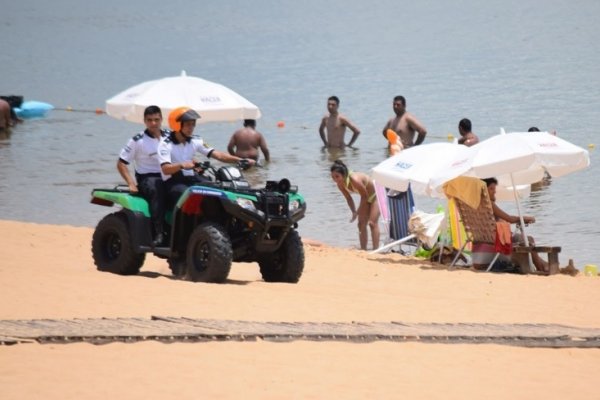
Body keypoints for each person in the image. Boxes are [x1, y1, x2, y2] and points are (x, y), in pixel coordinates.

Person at [158, 107, 255, 210]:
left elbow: (219, 155)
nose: (191, 128)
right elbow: (165, 169)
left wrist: (240, 160)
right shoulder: (165, 144)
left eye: (193, 124)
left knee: (218, 190)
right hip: (174, 182)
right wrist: (182, 165)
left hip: (192, 178)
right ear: (177, 125)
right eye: (187, 124)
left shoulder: (196, 140)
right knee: (188, 196)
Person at [117, 105, 168, 247]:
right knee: (157, 188)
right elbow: (121, 163)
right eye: (149, 120)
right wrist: (131, 183)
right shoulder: (137, 140)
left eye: (156, 119)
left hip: (168, 174)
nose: (153, 123)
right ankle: (158, 232)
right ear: (144, 121)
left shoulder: (170, 137)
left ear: (161, 119)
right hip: (147, 177)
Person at [484, 177, 549, 272]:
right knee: (528, 241)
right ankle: (541, 267)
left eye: (494, 189)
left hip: (491, 238)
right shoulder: (490, 204)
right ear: (484, 190)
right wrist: (524, 218)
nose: (494, 192)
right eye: (491, 189)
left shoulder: (477, 205)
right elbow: (509, 218)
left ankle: (543, 265)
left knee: (528, 240)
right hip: (499, 240)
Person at [330, 160, 380, 250]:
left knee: (372, 223)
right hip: (366, 197)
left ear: (344, 175)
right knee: (361, 224)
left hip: (376, 194)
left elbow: (364, 196)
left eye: (337, 176)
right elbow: (348, 198)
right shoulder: (340, 184)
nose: (335, 180)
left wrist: (357, 212)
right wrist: (353, 211)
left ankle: (376, 250)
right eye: (333, 177)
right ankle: (363, 250)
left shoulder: (354, 179)